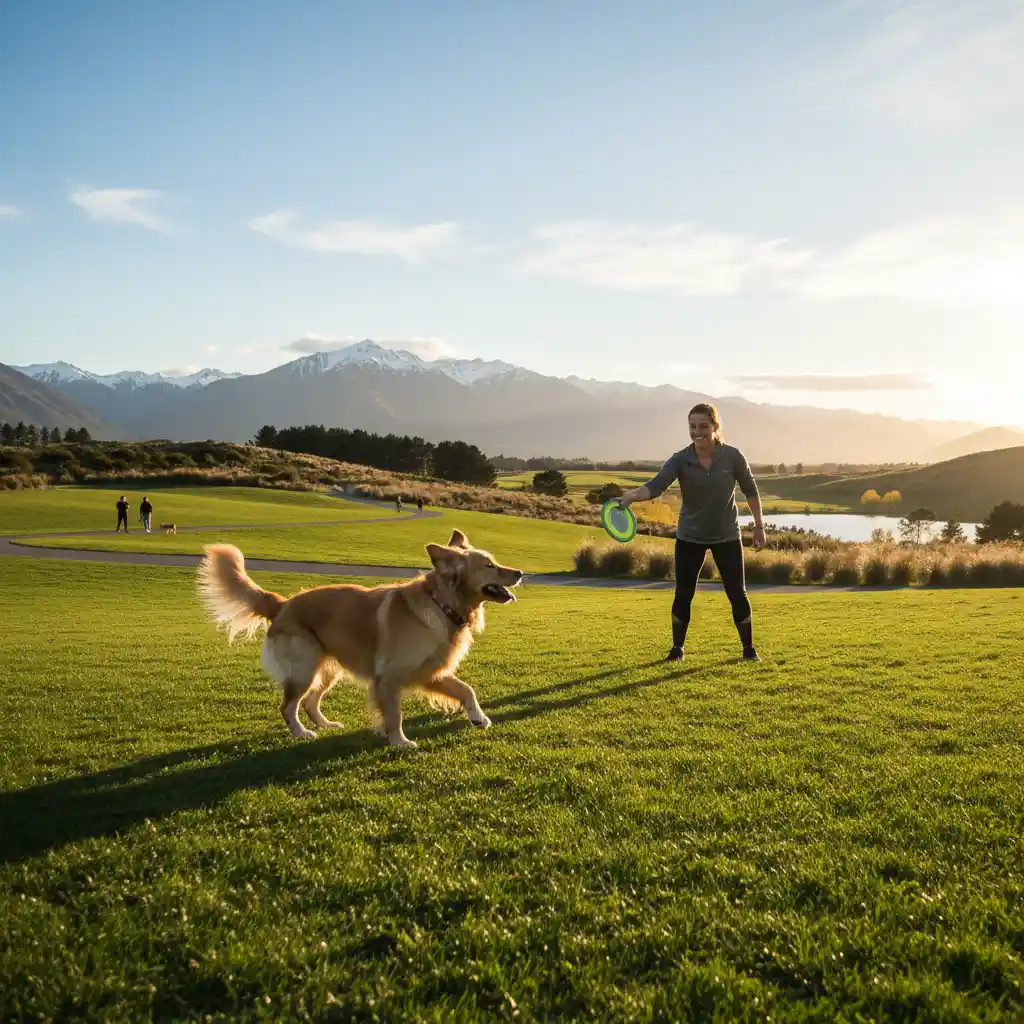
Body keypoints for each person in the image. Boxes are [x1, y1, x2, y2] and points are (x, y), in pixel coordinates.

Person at [617, 403, 766, 663]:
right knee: (683, 593)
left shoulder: (732, 457)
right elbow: (656, 485)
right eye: (692, 427)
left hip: (727, 536)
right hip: (690, 537)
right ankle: (677, 650)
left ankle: (748, 650)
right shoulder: (680, 459)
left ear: (715, 427)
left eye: (703, 426)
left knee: (737, 593)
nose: (697, 432)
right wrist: (632, 495)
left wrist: (759, 527)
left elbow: (751, 491)